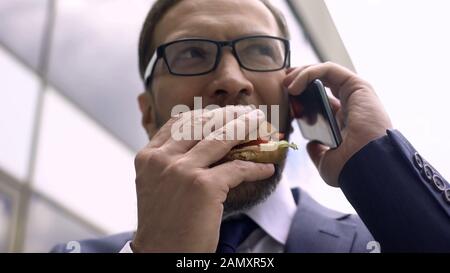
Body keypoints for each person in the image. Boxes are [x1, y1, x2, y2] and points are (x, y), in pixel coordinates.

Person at [51, 0, 450, 253]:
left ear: (295, 97)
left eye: (259, 51)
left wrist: (381, 166)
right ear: (148, 113)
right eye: (191, 52)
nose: (232, 79)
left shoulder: (385, 239)